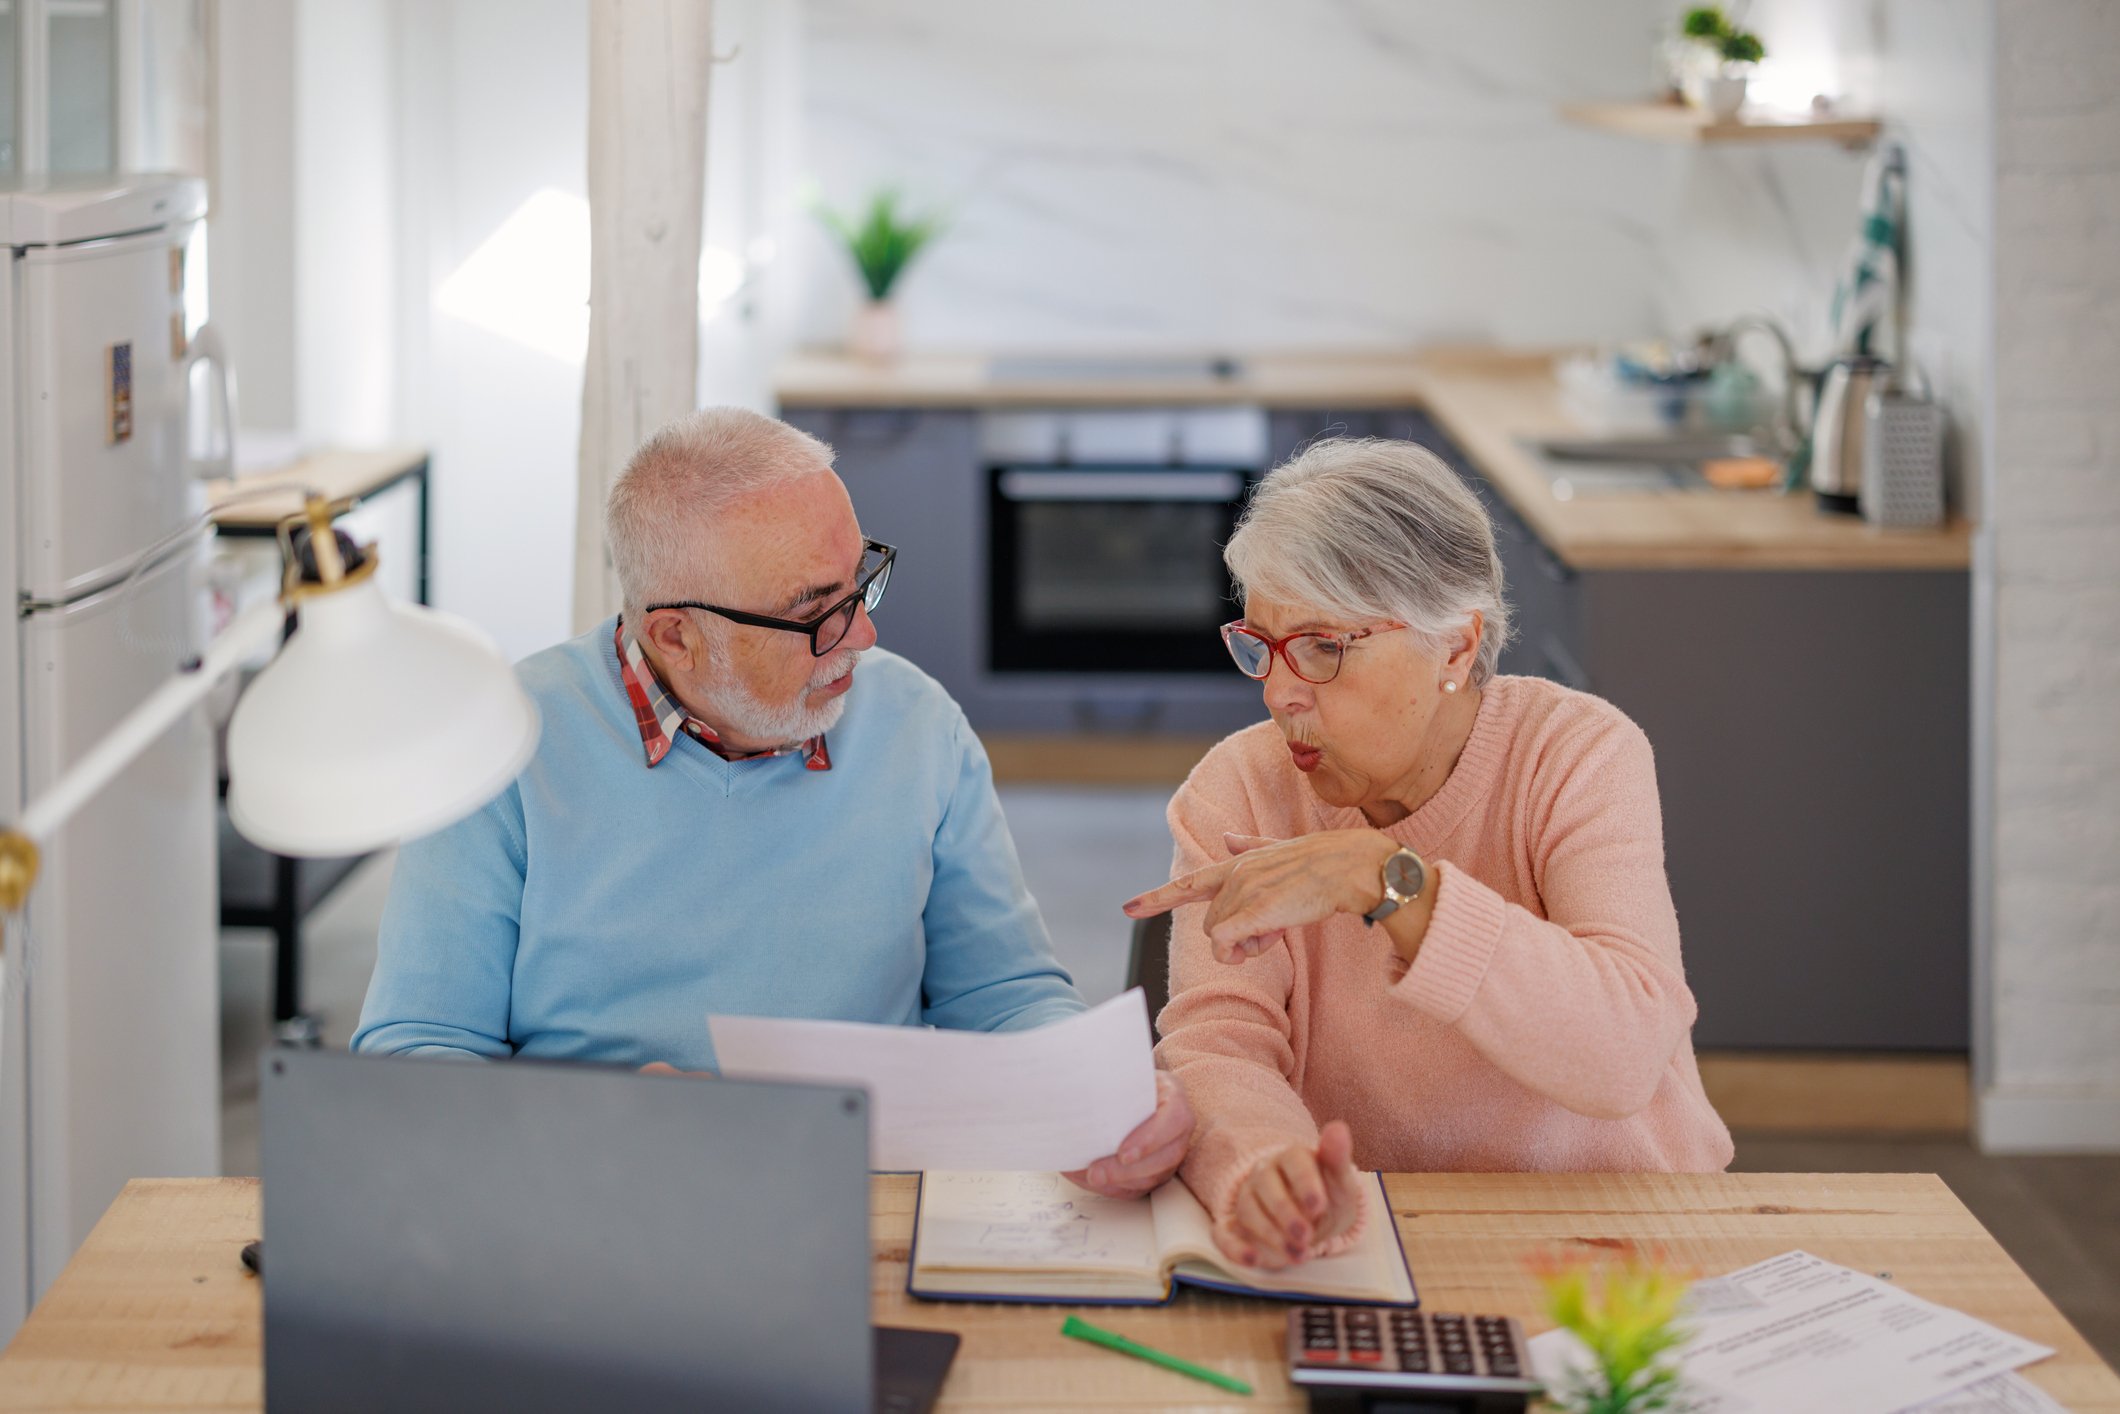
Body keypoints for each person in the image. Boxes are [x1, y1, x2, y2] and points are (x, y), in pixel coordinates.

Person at [355, 407, 1190, 1199]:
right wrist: (591, 1123)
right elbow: (416, 1055)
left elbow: (1005, 996)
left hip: (866, 1207)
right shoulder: (499, 749)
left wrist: (1096, 1098)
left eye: (859, 579)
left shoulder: (918, 725)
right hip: (594, 1198)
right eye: (814, 613)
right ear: (676, 633)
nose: (862, 635)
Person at [1124, 437, 1732, 1268]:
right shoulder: (1239, 786)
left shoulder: (1577, 755)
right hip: (1379, 1245)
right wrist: (1269, 1171)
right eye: (1262, 645)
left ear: (1453, 644)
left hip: (1624, 1243)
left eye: (1323, 647)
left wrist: (1380, 878)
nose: (1278, 690)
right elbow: (1221, 1044)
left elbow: (1625, 1052)